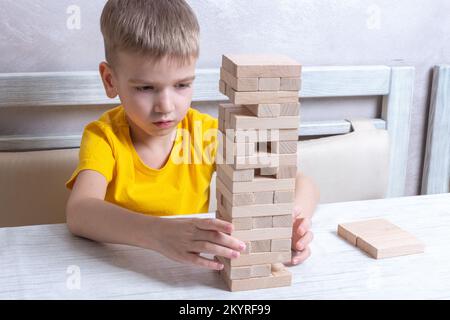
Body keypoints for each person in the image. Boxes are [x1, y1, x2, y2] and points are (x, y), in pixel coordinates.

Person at [65, 0, 320, 271]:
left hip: (189, 273)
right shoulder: (104, 137)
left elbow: (301, 182)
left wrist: (290, 220)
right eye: (145, 88)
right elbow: (80, 211)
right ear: (110, 80)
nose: (166, 106)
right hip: (116, 268)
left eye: (182, 85)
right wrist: (159, 234)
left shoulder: (206, 135)